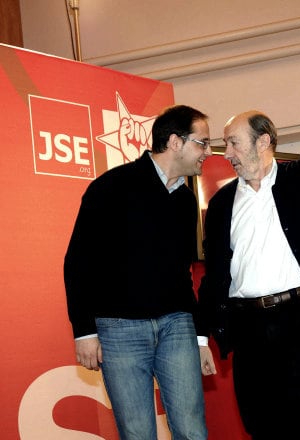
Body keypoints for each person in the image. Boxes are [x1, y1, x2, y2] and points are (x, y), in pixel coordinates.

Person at [196, 19, 300, 440]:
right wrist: (203, 336)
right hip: (247, 329)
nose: (227, 153)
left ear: (265, 142)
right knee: (260, 425)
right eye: (224, 144)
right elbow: (215, 276)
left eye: (234, 143)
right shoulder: (219, 205)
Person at [64, 104, 213, 440]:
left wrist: (198, 337)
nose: (207, 151)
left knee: (192, 429)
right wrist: (84, 331)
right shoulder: (110, 188)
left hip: (177, 325)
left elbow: (184, 273)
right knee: (137, 433)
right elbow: (78, 263)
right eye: (201, 143)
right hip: (119, 330)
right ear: (175, 142)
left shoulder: (187, 201)